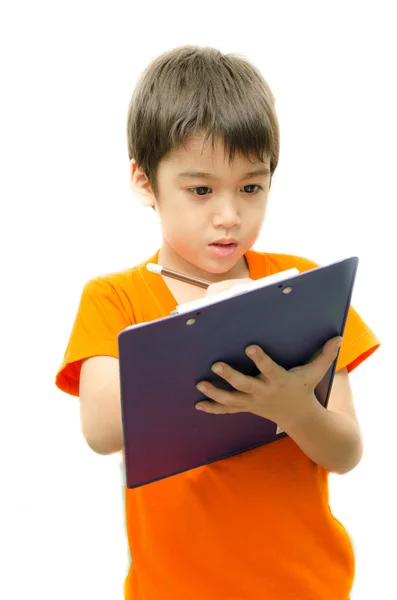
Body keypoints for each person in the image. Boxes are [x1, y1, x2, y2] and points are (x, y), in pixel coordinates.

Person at [55, 45, 380, 600]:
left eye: (251, 187)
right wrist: (202, 326)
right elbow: (102, 430)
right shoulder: (116, 298)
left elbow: (346, 451)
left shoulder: (299, 287)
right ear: (143, 181)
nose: (228, 215)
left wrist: (295, 408)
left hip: (308, 586)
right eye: (201, 190)